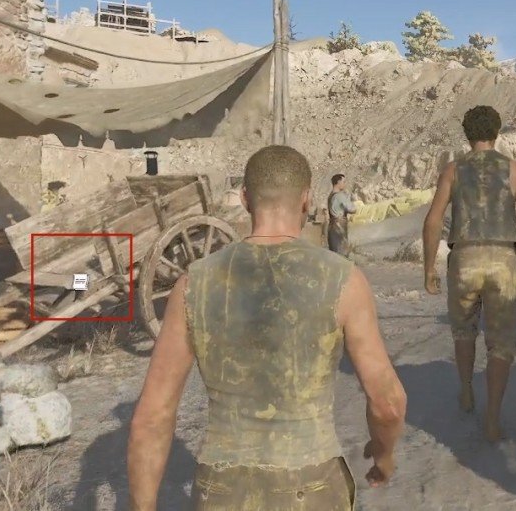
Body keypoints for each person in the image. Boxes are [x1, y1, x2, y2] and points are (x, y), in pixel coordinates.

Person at [127, 146, 407, 511]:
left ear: (245, 199)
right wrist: (384, 456)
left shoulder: (193, 284)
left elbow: (151, 419)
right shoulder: (343, 280)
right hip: (313, 486)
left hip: (221, 492)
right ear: (306, 200)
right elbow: (388, 402)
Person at [421, 105, 516, 443]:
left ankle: (465, 390)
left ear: (466, 133)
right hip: (503, 260)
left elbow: (432, 221)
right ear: (497, 132)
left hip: (464, 257)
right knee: (501, 343)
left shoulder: (453, 170)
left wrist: (429, 267)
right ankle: (492, 420)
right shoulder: (514, 170)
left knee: (463, 331)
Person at [327, 173, 356, 256]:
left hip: (332, 228)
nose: (345, 184)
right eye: (343, 182)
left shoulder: (330, 195)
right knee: (342, 255)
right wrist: (349, 198)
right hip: (339, 228)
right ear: (338, 182)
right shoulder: (340, 196)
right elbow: (352, 209)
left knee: (334, 255)